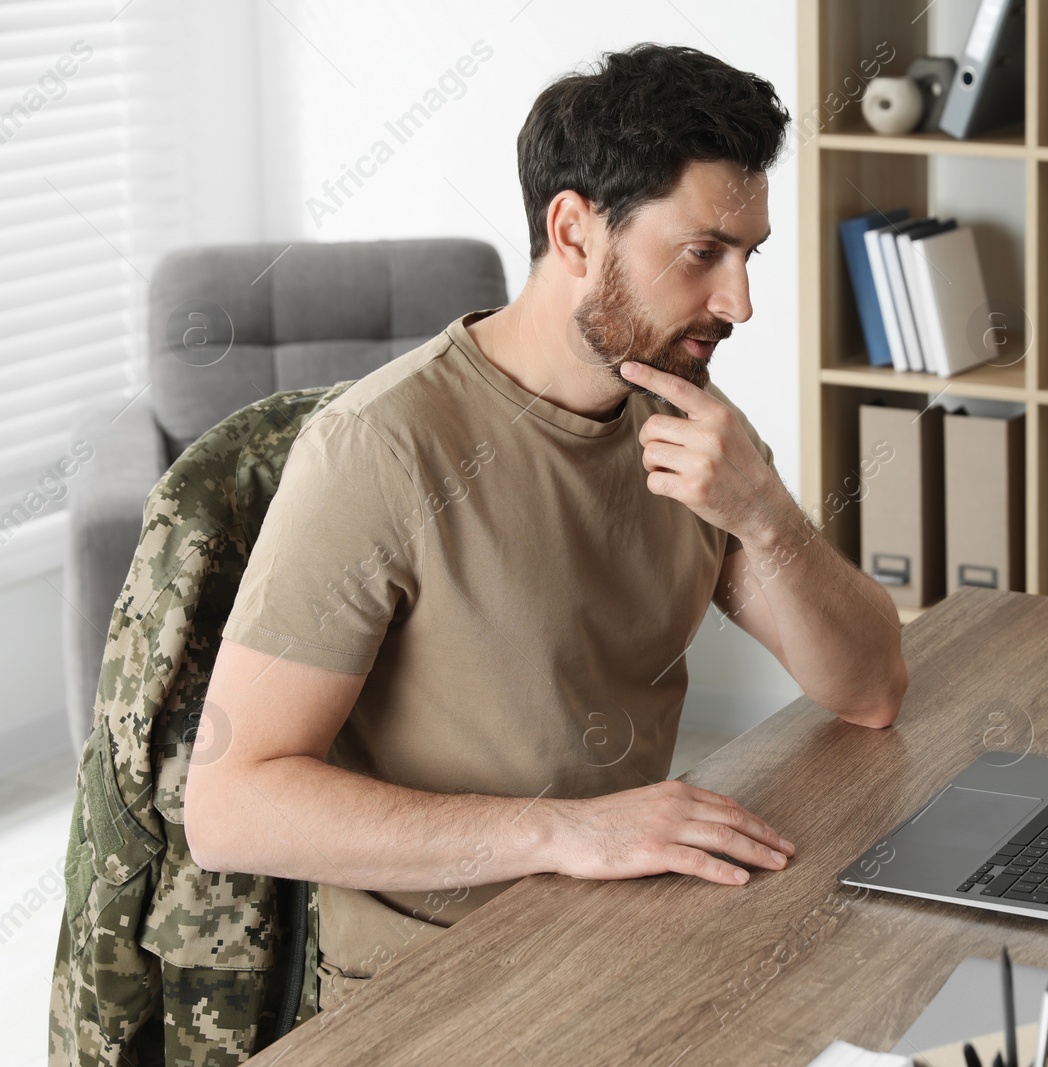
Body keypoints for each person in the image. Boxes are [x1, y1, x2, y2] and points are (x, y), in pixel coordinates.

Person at [184, 42, 908, 1009]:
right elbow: (230, 806)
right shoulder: (380, 449)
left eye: (748, 257)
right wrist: (560, 829)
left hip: (621, 933)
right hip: (431, 988)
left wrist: (768, 519)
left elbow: (870, 691)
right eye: (703, 254)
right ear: (574, 232)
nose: (739, 302)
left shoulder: (685, 420)